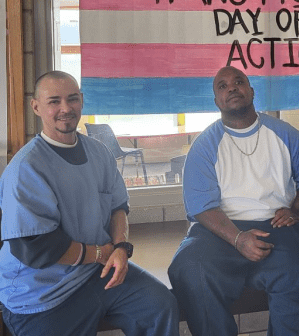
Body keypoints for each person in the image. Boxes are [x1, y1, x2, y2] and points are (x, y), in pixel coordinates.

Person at [0, 71, 179, 336]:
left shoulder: (99, 152)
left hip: (99, 272)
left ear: (82, 101)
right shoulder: (26, 168)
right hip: (43, 292)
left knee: (160, 305)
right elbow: (35, 248)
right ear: (35, 106)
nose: (65, 108)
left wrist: (120, 248)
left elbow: (118, 206)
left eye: (72, 99)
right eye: (54, 101)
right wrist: (100, 253)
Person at [168, 66, 299, 336]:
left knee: (298, 267)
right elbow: (201, 205)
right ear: (217, 101)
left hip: (275, 224)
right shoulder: (205, 145)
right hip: (219, 228)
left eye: (238, 82)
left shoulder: (283, 133)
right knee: (190, 269)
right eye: (222, 86)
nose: (231, 88)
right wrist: (238, 238)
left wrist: (297, 210)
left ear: (251, 91)